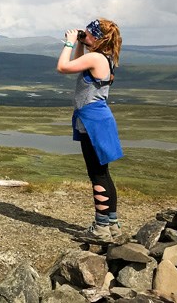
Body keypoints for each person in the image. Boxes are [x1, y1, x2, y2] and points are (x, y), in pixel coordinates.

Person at [57, 18, 123, 241]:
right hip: (99, 120)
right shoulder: (103, 57)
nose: (83, 36)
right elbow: (78, 62)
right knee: (103, 173)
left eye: (87, 34)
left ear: (96, 36)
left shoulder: (96, 57)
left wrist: (68, 42)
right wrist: (80, 44)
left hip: (93, 122)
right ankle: (112, 225)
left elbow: (63, 67)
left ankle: (101, 229)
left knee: (97, 175)